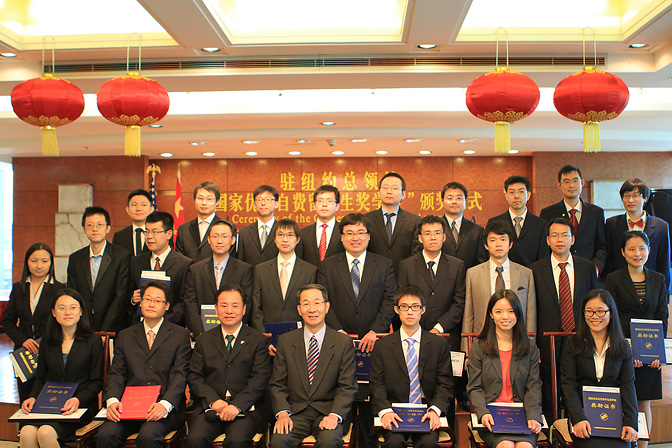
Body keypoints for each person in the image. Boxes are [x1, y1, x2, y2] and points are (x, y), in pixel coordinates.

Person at [97, 281, 192, 448]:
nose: (151, 304)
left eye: (157, 300)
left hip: (163, 408)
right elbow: (116, 373)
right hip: (129, 407)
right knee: (106, 435)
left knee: (148, 436)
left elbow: (180, 374)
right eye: (147, 299)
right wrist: (112, 400)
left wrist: (165, 404)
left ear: (167, 306)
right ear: (140, 303)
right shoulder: (125, 335)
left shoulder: (179, 335)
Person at [268, 284, 358, 448]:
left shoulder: (343, 343)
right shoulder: (286, 341)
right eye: (306, 303)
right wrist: (282, 413)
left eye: (317, 303)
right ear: (299, 309)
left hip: (328, 412)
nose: (312, 309)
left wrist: (334, 415)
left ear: (327, 306)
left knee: (328, 441)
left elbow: (347, 386)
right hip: (295, 413)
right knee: (279, 440)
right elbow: (277, 384)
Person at [186, 284, 271, 448]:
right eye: (223, 306)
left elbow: (259, 379)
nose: (229, 310)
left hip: (245, 410)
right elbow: (195, 377)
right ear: (216, 309)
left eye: (235, 305)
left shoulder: (257, 340)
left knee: (237, 441)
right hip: (210, 408)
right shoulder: (204, 341)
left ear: (244, 309)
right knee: (194, 440)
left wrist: (236, 405)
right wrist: (213, 401)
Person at [530, 217, 598, 420]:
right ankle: (551, 433)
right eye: (555, 236)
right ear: (548, 240)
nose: (560, 240)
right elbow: (532, 308)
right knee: (549, 389)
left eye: (565, 235)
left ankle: (577, 429)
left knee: (577, 386)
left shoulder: (587, 267)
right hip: (547, 339)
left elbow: (594, 304)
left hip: (580, 338)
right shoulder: (534, 270)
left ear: (573, 239)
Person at [605, 231, 668, 448]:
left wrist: (658, 353)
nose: (637, 253)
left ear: (649, 251)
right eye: (631, 249)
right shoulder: (613, 280)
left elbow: (662, 317)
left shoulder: (658, 279)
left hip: (650, 353)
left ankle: (643, 446)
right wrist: (626, 350)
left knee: (644, 403)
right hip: (622, 348)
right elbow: (612, 316)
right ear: (623, 252)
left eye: (642, 248)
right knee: (623, 401)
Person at [370, 286, 454, 448]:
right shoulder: (383, 346)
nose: (410, 312)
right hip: (395, 411)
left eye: (415, 307)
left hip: (426, 410)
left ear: (423, 310)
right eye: (404, 307)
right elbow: (376, 384)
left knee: (428, 443)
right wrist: (385, 411)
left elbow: (445, 384)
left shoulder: (438, 344)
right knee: (394, 442)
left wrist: (435, 410)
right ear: (396, 310)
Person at [19, 289, 104, 448]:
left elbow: (96, 382)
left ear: (80, 312)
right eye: (61, 308)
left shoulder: (93, 341)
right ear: (53, 312)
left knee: (45, 433)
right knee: (27, 433)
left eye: (73, 307)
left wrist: (78, 399)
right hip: (49, 404)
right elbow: (41, 378)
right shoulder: (47, 341)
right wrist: (32, 397)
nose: (67, 312)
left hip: (79, 406)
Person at [560, 289, 638, 448]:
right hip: (584, 417)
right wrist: (578, 418)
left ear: (611, 313)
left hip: (614, 416)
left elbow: (628, 385)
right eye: (589, 311)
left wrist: (630, 421)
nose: (594, 316)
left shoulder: (623, 347)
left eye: (601, 311)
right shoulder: (573, 344)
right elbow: (568, 384)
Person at [467, 290, 543, 448]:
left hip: (522, 414)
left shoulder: (529, 347)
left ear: (518, 314)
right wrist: (482, 412)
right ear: (491, 315)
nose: (505, 317)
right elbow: (474, 387)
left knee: (525, 446)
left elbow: (534, 386)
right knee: (506, 445)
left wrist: (534, 415)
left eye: (510, 311)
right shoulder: (479, 346)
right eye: (499, 312)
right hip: (492, 415)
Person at [317, 212, 396, 351]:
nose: (355, 238)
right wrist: (338, 331)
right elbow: (322, 301)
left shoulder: (384, 265)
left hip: (375, 340)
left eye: (360, 232)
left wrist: (375, 331)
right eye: (349, 233)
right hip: (336, 339)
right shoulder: (327, 266)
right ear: (341, 237)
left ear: (369, 236)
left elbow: (390, 300)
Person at [3, 243, 65, 402]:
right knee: (26, 399)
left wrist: (45, 341)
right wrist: (23, 340)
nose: (39, 266)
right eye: (34, 261)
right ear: (27, 262)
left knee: (49, 399)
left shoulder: (59, 289)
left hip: (50, 349)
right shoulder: (18, 288)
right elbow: (8, 322)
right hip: (24, 353)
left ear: (51, 262)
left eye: (44, 261)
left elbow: (63, 322)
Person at [462, 220, 536, 350]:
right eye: (493, 240)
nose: (498, 244)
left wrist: (530, 345)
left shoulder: (526, 273)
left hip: (517, 340)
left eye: (503, 239)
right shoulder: (473, 274)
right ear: (486, 245)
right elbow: (469, 314)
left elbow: (530, 314)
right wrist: (467, 350)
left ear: (510, 244)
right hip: (483, 341)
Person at [398, 214, 466, 353]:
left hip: (447, 334)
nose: (433, 237)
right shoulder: (407, 266)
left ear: (444, 237)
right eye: (427, 233)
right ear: (420, 238)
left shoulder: (456, 266)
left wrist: (438, 328)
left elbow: (459, 302)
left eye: (437, 233)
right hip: (414, 334)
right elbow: (402, 300)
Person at [250, 219, 317, 344]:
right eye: (280, 235)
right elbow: (256, 307)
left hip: (300, 337)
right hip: (267, 336)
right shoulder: (261, 269)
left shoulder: (310, 270)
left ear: (297, 240)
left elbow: (311, 306)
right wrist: (262, 337)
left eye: (290, 235)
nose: (285, 239)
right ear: (274, 239)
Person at [66, 206, 131, 332]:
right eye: (90, 225)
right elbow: (72, 293)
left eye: (99, 225)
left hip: (113, 327)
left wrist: (105, 330)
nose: (94, 229)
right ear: (84, 230)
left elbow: (121, 295)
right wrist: (83, 325)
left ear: (108, 228)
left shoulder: (121, 256)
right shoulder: (75, 258)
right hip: (83, 326)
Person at [183, 220, 253, 335]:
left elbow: (247, 303)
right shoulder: (195, 269)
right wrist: (199, 333)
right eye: (215, 236)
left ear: (233, 240)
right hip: (202, 334)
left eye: (224, 236)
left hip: (233, 333)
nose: (219, 241)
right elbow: (190, 304)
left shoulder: (244, 269)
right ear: (209, 240)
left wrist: (233, 331)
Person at [605, 178, 671, 292]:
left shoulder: (661, 226)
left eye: (635, 195)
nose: (630, 200)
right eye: (626, 195)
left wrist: (665, 294)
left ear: (645, 198)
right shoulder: (612, 224)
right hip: (620, 287)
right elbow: (610, 258)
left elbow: (664, 262)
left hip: (651, 286)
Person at [539, 165, 607, 274]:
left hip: (588, 270)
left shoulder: (596, 212)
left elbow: (602, 245)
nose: (571, 185)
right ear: (559, 185)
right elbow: (544, 246)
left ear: (582, 183)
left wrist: (596, 267)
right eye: (566, 181)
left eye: (575, 181)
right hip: (558, 271)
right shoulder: (548, 213)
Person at [130, 211, 193, 326]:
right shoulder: (136, 261)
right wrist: (133, 300)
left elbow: (184, 302)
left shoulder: (184, 264)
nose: (149, 236)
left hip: (171, 328)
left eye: (154, 232)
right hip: (139, 328)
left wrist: (160, 322)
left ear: (169, 234)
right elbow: (126, 294)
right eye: (147, 231)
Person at [364, 172, 420, 274]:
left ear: (403, 194)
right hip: (373, 274)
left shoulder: (414, 220)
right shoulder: (366, 219)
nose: (389, 191)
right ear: (379, 192)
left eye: (394, 188)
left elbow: (416, 252)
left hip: (403, 274)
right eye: (385, 187)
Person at [488, 175, 548, 267]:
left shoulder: (540, 224)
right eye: (512, 192)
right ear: (506, 195)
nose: (516, 196)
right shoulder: (495, 222)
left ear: (528, 195)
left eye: (521, 192)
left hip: (532, 276)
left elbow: (543, 256)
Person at [440, 181, 488, 270]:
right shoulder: (436, 228)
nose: (454, 202)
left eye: (459, 198)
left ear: (465, 201)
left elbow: (481, 262)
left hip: (469, 280)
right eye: (450, 198)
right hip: (441, 281)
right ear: (442, 201)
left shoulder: (477, 230)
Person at [176, 181, 225, 262]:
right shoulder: (183, 229)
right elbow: (180, 260)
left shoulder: (227, 228)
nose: (204, 203)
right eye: (200, 198)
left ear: (217, 202)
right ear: (194, 200)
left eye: (209, 199)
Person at [297, 185, 344, 267]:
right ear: (314, 206)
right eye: (320, 201)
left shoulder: (344, 232)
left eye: (329, 201)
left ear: (337, 206)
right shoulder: (303, 233)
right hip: (311, 279)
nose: (324, 204)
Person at [236, 185, 280, 266]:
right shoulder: (244, 233)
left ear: (276, 204)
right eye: (259, 200)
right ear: (254, 205)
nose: (263, 203)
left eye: (267, 199)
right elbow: (240, 262)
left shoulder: (282, 230)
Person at [112, 189, 154, 256]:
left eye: (143, 205)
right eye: (134, 205)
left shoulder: (159, 234)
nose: (139, 209)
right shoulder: (119, 236)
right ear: (127, 209)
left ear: (151, 209)